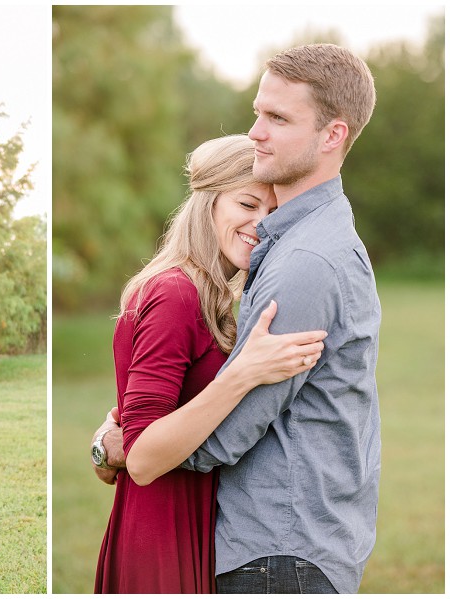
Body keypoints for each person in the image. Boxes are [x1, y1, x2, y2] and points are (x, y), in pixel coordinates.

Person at [93, 43, 381, 594]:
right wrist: (130, 433)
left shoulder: (304, 262)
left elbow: (222, 440)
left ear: (332, 134)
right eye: (257, 113)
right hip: (269, 546)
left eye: (277, 118)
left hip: (277, 555)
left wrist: (121, 446)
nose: (256, 132)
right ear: (209, 204)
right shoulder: (304, 243)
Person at [91, 134, 327, 594]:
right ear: (208, 203)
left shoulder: (205, 297)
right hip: (162, 530)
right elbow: (141, 458)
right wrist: (243, 375)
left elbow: (136, 421)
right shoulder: (175, 293)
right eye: (248, 204)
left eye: (273, 213)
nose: (262, 225)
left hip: (195, 521)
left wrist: (104, 443)